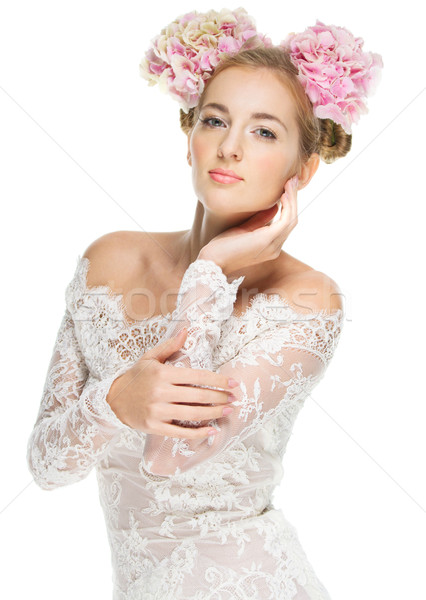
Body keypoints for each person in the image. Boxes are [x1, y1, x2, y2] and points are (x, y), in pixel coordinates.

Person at [26, 8, 383, 599]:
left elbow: (169, 453)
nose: (231, 147)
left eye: (264, 131)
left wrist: (210, 270)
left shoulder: (310, 301)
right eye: (216, 120)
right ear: (190, 136)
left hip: (245, 581)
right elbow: (46, 466)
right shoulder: (110, 260)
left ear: (304, 168)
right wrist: (116, 401)